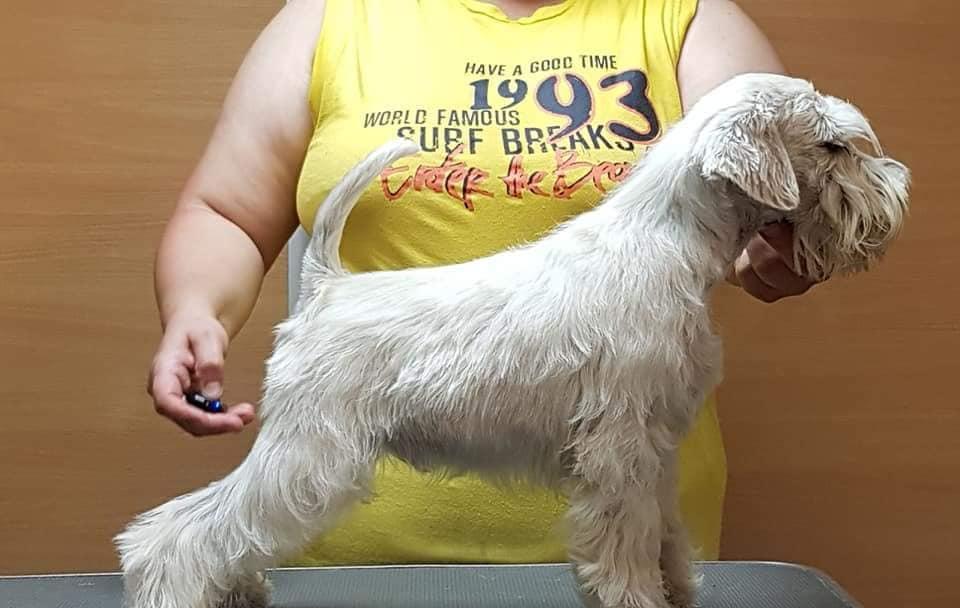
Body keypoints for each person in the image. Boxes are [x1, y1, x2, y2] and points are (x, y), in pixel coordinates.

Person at [148, 0, 815, 566]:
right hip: (362, 571)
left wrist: (771, 245)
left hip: (634, 539)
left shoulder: (686, 18)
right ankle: (178, 558)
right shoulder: (333, 17)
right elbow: (228, 212)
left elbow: (761, 182)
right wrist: (196, 310)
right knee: (284, 484)